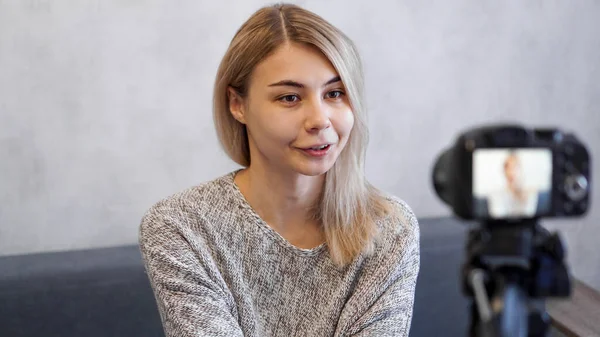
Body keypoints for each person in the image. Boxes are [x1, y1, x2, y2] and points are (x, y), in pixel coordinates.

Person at [138, 3, 420, 337]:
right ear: (237, 104)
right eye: (289, 97)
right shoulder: (181, 226)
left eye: (335, 93)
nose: (319, 120)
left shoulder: (388, 229)